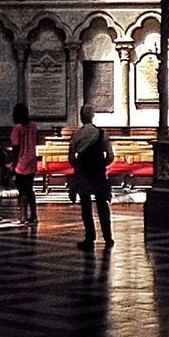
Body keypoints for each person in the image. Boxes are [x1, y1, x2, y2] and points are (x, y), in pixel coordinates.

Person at [69, 104, 115, 249]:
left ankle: (90, 238)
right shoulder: (102, 134)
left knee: (86, 207)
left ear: (82, 117)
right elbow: (110, 156)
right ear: (93, 116)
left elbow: (71, 157)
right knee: (102, 206)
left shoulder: (77, 135)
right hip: (98, 174)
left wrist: (79, 166)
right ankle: (108, 237)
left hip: (83, 173)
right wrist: (102, 164)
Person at [10, 102, 40, 228]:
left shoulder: (17, 128)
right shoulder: (33, 126)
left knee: (22, 191)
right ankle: (34, 215)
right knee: (30, 189)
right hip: (32, 161)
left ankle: (23, 216)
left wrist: (13, 162)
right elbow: (36, 140)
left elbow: (15, 146)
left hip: (21, 163)